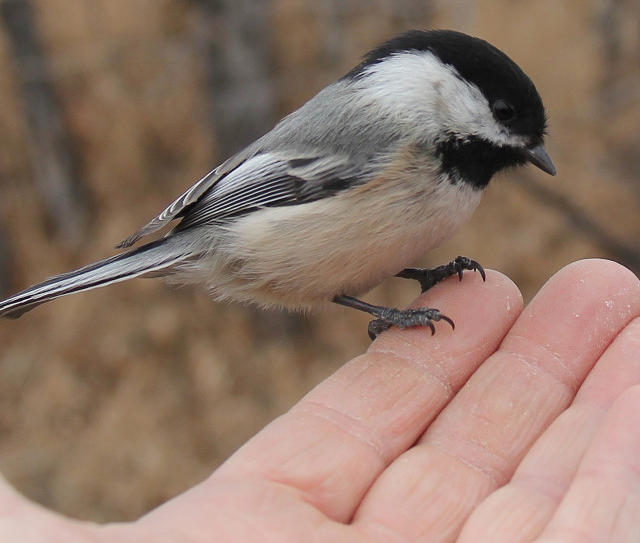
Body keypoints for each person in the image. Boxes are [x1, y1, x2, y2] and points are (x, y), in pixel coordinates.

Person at [1, 258, 639, 541]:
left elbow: (364, 245)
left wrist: (416, 278)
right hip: (253, 224)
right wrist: (388, 311)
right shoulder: (392, 136)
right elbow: (323, 259)